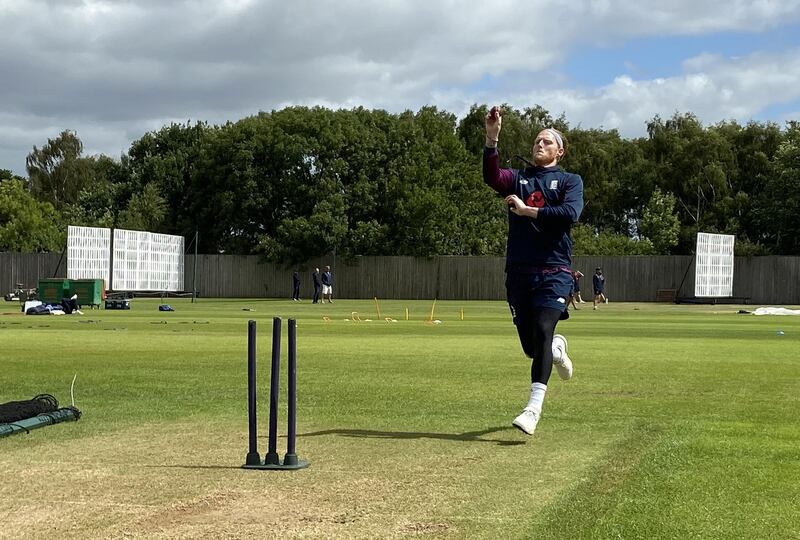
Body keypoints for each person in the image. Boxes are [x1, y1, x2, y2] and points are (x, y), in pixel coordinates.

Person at [483, 105, 584, 436]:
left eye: (547, 141)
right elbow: (492, 177)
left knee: (543, 328)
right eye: (537, 141)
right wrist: (492, 138)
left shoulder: (570, 180)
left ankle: (532, 409)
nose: (539, 144)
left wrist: (529, 212)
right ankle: (556, 349)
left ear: (559, 150)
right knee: (533, 347)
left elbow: (569, 213)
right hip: (518, 272)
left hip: (554, 270)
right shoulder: (518, 177)